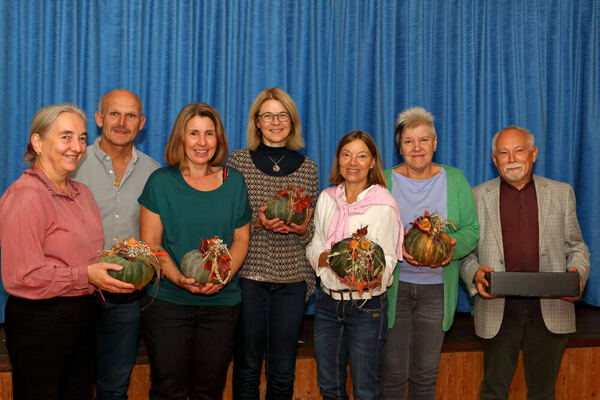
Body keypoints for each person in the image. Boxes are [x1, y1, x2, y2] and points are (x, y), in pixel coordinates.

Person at [0, 104, 135, 400]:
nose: (76, 147)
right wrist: (86, 274)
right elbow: (21, 276)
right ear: (37, 142)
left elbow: (88, 256)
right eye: (66, 137)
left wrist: (121, 262)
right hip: (39, 322)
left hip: (84, 315)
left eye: (83, 138)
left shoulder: (82, 194)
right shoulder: (25, 196)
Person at [460, 126, 590, 400]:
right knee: (493, 391)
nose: (512, 159)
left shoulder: (561, 193)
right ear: (494, 160)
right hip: (498, 309)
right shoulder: (476, 196)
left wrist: (577, 275)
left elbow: (577, 247)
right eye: (503, 153)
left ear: (533, 154)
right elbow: (465, 254)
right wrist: (474, 274)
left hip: (551, 308)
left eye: (519, 150)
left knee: (543, 393)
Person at [139, 102, 252, 399]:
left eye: (209, 134)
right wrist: (177, 277)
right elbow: (150, 241)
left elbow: (241, 239)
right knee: (168, 388)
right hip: (168, 302)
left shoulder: (235, 182)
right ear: (181, 138)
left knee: (209, 390)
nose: (202, 142)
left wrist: (223, 277)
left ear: (219, 139)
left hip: (221, 303)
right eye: (194, 133)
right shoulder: (160, 182)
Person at [381, 107, 479, 399]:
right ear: (400, 147)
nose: (417, 147)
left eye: (424, 140)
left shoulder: (456, 180)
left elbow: (471, 230)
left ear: (435, 143)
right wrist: (400, 248)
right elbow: (372, 233)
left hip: (437, 290)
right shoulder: (384, 181)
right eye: (409, 141)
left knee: (426, 375)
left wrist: (450, 247)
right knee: (393, 373)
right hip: (392, 291)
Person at [228, 87, 318, 399]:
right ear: (257, 122)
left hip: (293, 280)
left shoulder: (309, 169)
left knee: (283, 369)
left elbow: (312, 232)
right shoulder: (237, 163)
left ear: (292, 122)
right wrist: (258, 223)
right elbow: (228, 222)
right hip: (249, 278)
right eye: (268, 115)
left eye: (282, 115)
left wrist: (300, 228)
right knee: (248, 364)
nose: (275, 121)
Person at [71, 89, 160, 399]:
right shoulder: (72, 165)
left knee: (115, 385)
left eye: (131, 115)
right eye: (114, 114)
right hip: (75, 293)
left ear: (142, 123)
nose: (122, 122)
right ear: (99, 118)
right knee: (73, 383)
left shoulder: (154, 173)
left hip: (127, 299)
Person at [306, 130, 403, 400]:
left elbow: (388, 258)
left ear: (372, 162)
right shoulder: (327, 198)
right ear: (338, 160)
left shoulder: (383, 204)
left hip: (366, 306)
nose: (353, 162)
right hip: (327, 304)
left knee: (366, 390)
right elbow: (314, 244)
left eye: (362, 156)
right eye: (346, 155)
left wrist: (374, 279)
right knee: (330, 387)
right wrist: (329, 258)